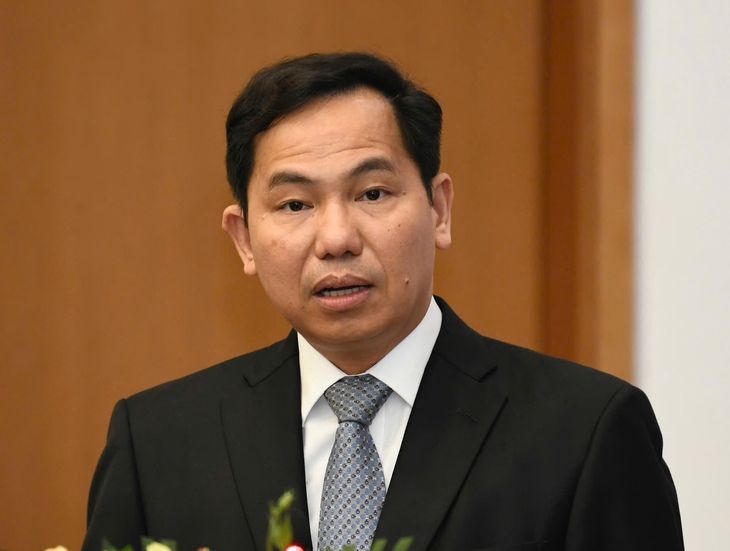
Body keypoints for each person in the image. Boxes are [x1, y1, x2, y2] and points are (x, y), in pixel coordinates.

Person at [83, 52, 684, 551]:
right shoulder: (157, 442)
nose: (336, 239)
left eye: (372, 193)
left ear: (438, 209)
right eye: (295, 204)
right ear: (244, 239)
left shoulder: (587, 431)